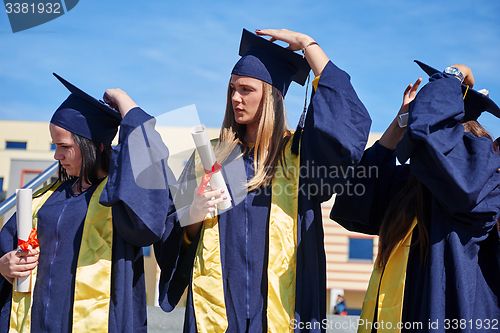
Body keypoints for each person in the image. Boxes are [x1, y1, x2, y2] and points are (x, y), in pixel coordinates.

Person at [155, 28, 371, 332]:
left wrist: (309, 46)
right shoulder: (208, 157)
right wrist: (192, 214)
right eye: (232, 89)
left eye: (246, 90)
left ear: (271, 96)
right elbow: (174, 235)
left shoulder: (300, 155)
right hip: (218, 313)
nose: (234, 98)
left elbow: (346, 128)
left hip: (282, 310)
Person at [0, 74, 178, 332]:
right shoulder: (44, 199)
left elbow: (148, 172)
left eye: (64, 146)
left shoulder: (119, 198)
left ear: (94, 147)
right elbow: (6, 249)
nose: (56, 155)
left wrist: (125, 103)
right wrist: (4, 265)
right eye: (55, 145)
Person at [330, 62, 500, 332]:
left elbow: (435, 136)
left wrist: (454, 74)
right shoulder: (410, 187)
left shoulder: (484, 184)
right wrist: (401, 120)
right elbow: (356, 198)